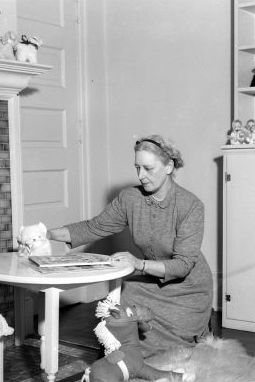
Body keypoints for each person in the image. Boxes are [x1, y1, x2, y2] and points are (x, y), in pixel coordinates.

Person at [48, 135, 213, 356]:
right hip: (154, 282)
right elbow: (94, 227)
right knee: (123, 295)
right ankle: (123, 359)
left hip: (189, 289)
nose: (141, 176)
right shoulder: (130, 198)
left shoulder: (191, 206)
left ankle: (182, 347)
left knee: (178, 352)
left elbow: (183, 265)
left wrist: (138, 264)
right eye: (137, 167)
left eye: (148, 168)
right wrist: (45, 234)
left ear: (169, 166)